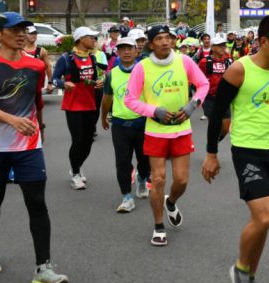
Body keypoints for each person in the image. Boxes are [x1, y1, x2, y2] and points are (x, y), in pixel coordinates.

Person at [203, 14, 269, 283]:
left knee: (264, 222)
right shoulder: (239, 70)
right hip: (246, 149)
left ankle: (252, 276)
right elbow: (217, 112)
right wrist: (211, 153)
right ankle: (241, 269)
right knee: (265, 215)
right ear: (263, 41)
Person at [0, 11, 68, 283]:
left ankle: (44, 269)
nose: (22, 34)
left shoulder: (36, 65)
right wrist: (13, 120)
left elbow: (35, 99)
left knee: (37, 202)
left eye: (25, 29)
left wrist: (42, 129)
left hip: (28, 145)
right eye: (15, 30)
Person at [124, 24, 209, 246]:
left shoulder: (185, 61)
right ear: (151, 44)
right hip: (155, 131)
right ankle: (159, 226)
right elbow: (130, 100)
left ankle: (170, 202)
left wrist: (192, 105)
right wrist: (155, 112)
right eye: (159, 38)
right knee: (158, 178)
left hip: (181, 130)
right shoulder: (142, 67)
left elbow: (203, 84)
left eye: (167, 38)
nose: (164, 42)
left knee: (181, 180)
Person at [100, 33, 151, 213]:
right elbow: (107, 98)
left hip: (144, 123)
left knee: (145, 160)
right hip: (121, 125)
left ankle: (143, 179)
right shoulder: (112, 74)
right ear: (118, 52)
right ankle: (127, 197)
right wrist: (103, 116)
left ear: (137, 51)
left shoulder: (146, 70)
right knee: (122, 162)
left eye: (130, 48)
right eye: (123, 49)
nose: (127, 52)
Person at [52, 26, 106, 190]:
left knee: (89, 140)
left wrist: (99, 82)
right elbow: (54, 80)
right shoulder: (66, 58)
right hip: (73, 105)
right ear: (81, 39)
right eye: (91, 37)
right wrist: (63, 83)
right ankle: (75, 173)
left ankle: (77, 165)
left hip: (91, 103)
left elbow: (95, 78)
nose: (94, 41)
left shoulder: (93, 58)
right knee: (78, 140)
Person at [199, 33, 234, 128]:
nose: (223, 47)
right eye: (220, 45)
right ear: (213, 47)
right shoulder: (204, 62)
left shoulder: (229, 60)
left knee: (226, 127)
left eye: (224, 45)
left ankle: (215, 140)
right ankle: (212, 142)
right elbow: (199, 79)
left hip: (224, 97)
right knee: (214, 125)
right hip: (210, 98)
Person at [23, 26, 54, 93]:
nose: (33, 36)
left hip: (37, 86)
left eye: (35, 33)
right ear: (25, 35)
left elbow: (48, 67)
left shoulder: (41, 51)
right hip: (23, 85)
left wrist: (50, 83)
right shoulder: (19, 50)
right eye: (31, 33)